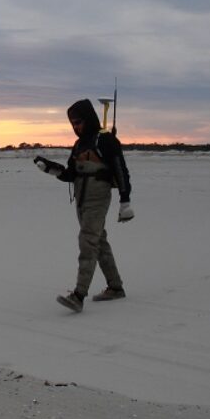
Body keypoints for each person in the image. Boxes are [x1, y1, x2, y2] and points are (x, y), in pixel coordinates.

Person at [34, 98, 134, 313]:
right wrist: (51, 169)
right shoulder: (79, 145)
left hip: (98, 198)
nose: (75, 127)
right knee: (99, 241)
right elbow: (70, 174)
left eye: (78, 122)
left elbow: (120, 170)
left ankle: (79, 295)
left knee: (87, 242)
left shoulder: (105, 140)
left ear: (88, 119)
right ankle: (115, 287)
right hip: (81, 198)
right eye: (72, 123)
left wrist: (125, 200)